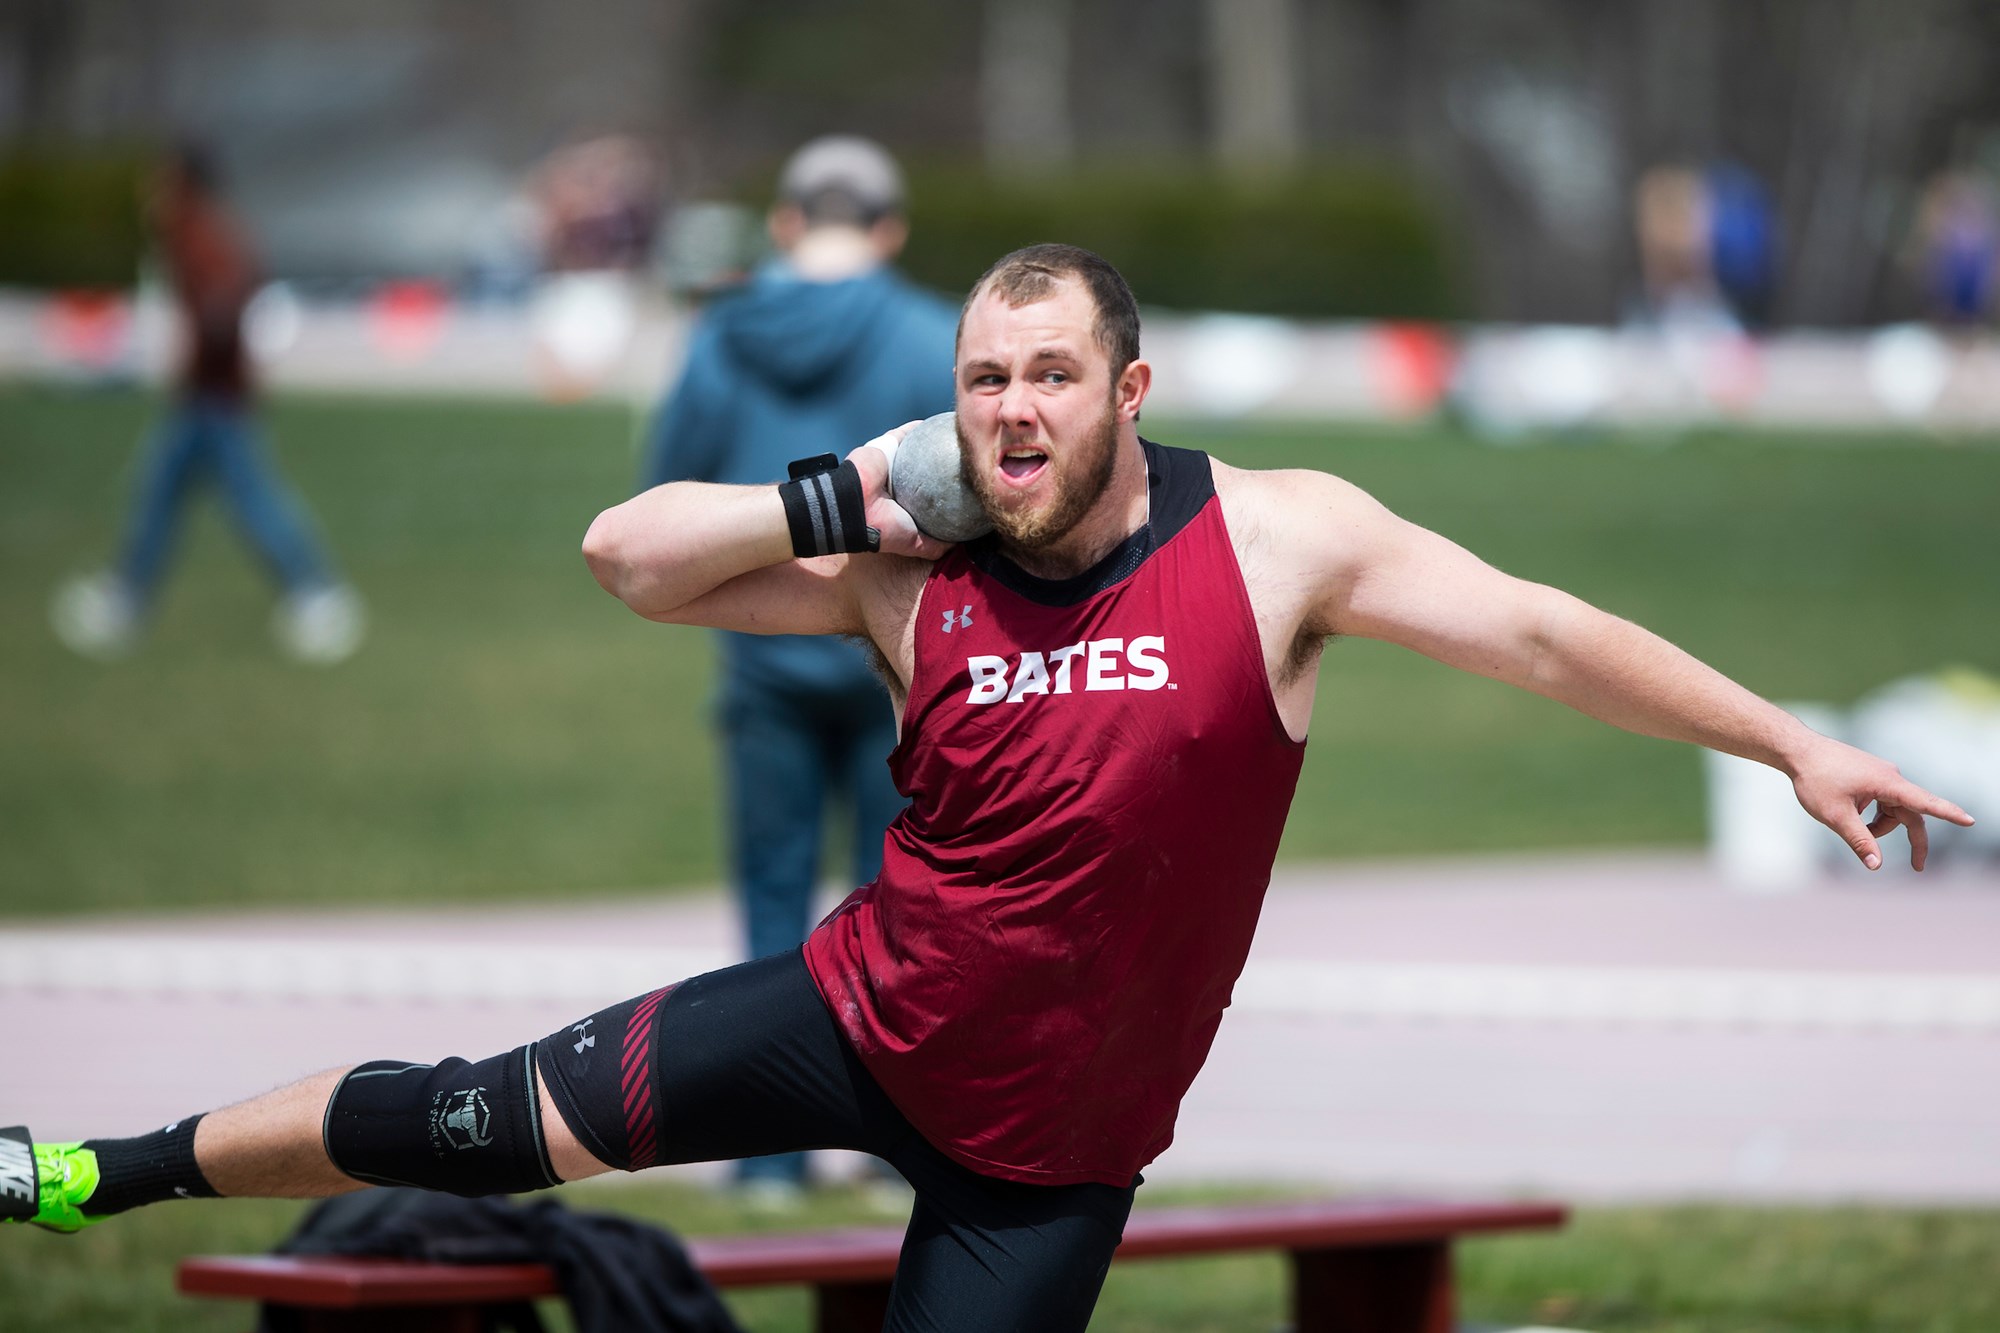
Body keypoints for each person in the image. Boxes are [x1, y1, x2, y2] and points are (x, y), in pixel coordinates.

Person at [7, 245, 1971, 1333]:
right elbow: (628, 557)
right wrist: (856, 488)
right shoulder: (906, 563)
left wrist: (1788, 741)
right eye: (982, 379)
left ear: (1131, 389)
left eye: (1049, 373)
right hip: (850, 1021)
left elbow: (1539, 631)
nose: (1014, 409)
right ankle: (95, 1165)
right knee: (463, 1118)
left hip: (1047, 1156)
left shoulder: (1278, 542)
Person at [638, 136, 955, 1200]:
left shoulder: (723, 330)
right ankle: (890, 1142)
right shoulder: (928, 334)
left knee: (771, 911)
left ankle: (769, 1155)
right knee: (900, 913)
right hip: (895, 657)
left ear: (784, 223)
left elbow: (668, 485)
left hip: (761, 649)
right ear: (889, 230)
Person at [50, 145, 364, 664]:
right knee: (163, 495)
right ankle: (127, 598)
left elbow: (229, 296)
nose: (153, 195)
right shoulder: (199, 231)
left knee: (248, 499)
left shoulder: (202, 233)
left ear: (186, 185)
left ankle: (316, 593)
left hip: (213, 399)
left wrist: (208, 351)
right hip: (205, 398)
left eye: (163, 182)